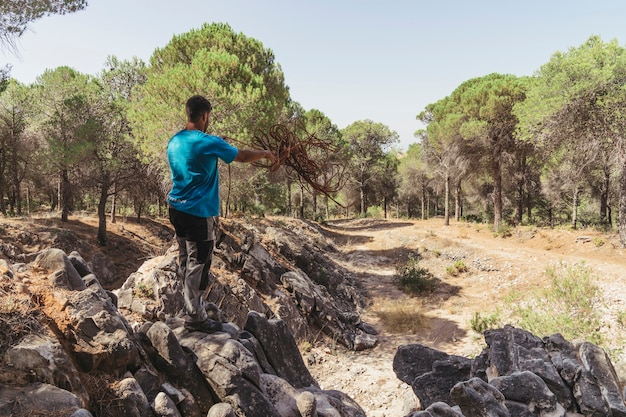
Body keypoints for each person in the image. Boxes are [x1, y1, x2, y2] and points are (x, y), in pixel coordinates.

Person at [166, 95, 275, 333]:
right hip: (198, 211)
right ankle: (195, 316)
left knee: (186, 258)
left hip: (176, 208)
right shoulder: (208, 142)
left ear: (189, 114)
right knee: (199, 262)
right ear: (205, 116)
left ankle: (190, 308)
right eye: (209, 117)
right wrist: (266, 153)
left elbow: (196, 157)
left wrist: (217, 144)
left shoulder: (175, 140)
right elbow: (243, 157)